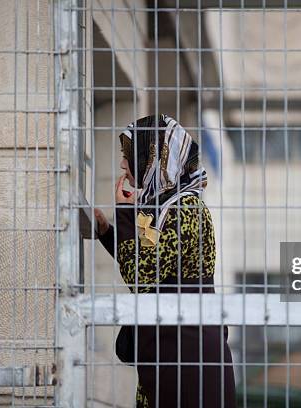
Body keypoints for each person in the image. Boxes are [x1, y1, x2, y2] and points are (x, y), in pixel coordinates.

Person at [93, 114, 236, 408]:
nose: (123, 164)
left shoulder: (185, 209)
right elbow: (147, 263)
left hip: (187, 358)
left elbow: (141, 276)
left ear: (151, 159)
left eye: (129, 155)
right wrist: (108, 232)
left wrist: (123, 212)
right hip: (173, 351)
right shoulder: (166, 207)